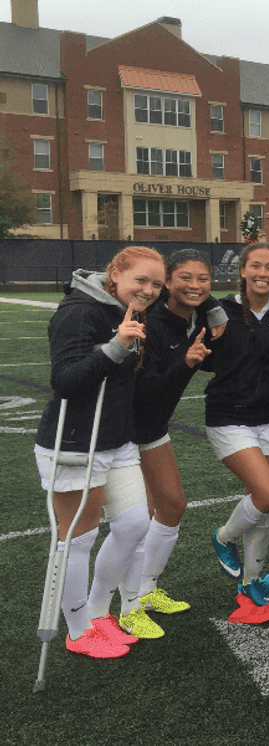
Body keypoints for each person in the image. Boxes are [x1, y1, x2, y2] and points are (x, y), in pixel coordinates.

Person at [34, 246, 166, 658]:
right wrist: (115, 346)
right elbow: (66, 380)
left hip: (116, 440)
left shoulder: (129, 311)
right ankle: (78, 633)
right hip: (75, 442)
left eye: (156, 284)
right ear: (115, 274)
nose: (148, 290)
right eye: (140, 280)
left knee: (133, 525)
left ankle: (96, 612)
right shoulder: (80, 312)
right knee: (78, 538)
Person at [128, 249, 227, 635]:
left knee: (172, 505)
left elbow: (206, 300)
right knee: (136, 520)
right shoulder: (150, 324)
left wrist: (214, 309)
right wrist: (186, 363)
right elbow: (144, 392)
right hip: (125, 430)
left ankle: (146, 590)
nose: (195, 285)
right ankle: (128, 606)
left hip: (153, 427)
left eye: (203, 278)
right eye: (184, 277)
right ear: (167, 282)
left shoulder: (199, 315)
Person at [207, 242, 269, 606]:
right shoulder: (219, 310)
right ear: (242, 270)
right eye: (255, 265)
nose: (262, 273)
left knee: (260, 503)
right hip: (230, 417)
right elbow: (202, 356)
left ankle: (251, 581)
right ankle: (224, 537)